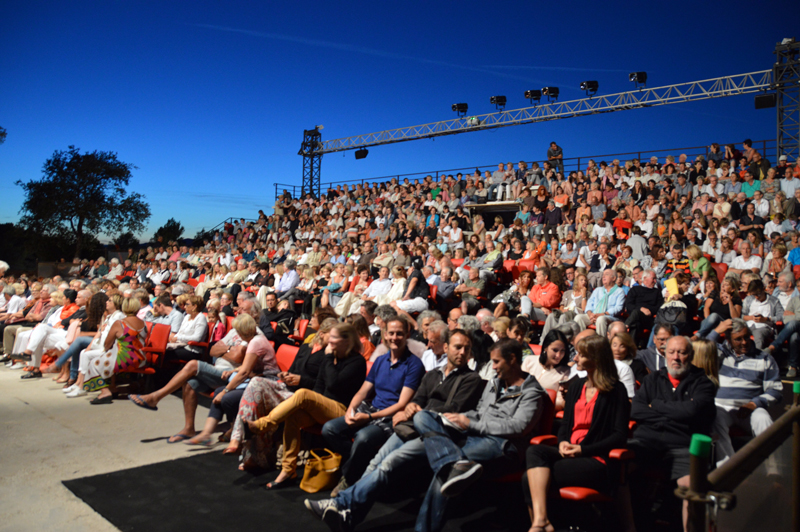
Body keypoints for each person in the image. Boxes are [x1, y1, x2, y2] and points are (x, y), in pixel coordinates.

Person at [304, 329, 485, 532]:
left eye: (466, 349)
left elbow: (454, 409)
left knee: (388, 464)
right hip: (412, 427)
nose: (462, 352)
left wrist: (417, 411)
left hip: (436, 433)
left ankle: (341, 504)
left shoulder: (472, 379)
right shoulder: (433, 374)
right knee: (374, 464)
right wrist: (410, 408)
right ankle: (348, 517)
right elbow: (417, 399)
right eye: (457, 347)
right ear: (446, 348)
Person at [524, 334, 629, 532]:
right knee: (534, 451)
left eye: (581, 355)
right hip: (570, 452)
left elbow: (619, 435)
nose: (575, 359)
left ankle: (542, 523)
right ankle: (541, 521)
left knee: (530, 478)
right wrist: (563, 442)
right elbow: (565, 425)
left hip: (598, 458)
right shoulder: (576, 387)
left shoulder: (616, 391)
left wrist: (582, 449)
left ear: (596, 359)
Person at [245, 322, 367, 488]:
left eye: (334, 338)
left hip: (342, 411)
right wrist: (311, 405)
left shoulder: (356, 361)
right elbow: (319, 385)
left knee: (302, 393)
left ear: (347, 341)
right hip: (323, 408)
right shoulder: (330, 358)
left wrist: (330, 357)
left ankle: (263, 425)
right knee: (293, 416)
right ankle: (288, 471)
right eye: (330, 337)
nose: (329, 341)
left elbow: (333, 384)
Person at [322, 316, 425, 495]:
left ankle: (349, 478)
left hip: (390, 417)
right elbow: (363, 391)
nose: (394, 337)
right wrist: (351, 410)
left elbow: (402, 403)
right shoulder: (380, 361)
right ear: (385, 335)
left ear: (407, 335)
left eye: (399, 334)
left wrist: (369, 417)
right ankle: (358, 465)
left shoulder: (414, 364)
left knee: (363, 438)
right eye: (391, 333)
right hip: (370, 410)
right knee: (329, 429)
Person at [626, 336, 717, 531]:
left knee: (690, 490)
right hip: (647, 443)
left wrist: (657, 405)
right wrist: (676, 416)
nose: (676, 357)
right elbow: (636, 411)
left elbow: (692, 412)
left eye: (682, 353)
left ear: (691, 356)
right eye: (672, 352)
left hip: (683, 447)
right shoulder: (652, 379)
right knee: (616, 472)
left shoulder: (703, 384)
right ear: (664, 354)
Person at [183, 312, 279, 446]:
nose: (237, 335)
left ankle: (235, 430)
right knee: (219, 393)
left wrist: (225, 391)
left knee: (226, 397)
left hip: (267, 383)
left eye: (238, 331)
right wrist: (233, 370)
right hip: (255, 378)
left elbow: (245, 372)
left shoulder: (256, 343)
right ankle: (207, 434)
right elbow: (246, 368)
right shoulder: (254, 340)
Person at [706, 319, 782, 474]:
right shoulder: (719, 353)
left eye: (747, 337)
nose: (744, 342)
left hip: (750, 407)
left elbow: (775, 390)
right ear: (728, 340)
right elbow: (700, 350)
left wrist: (754, 404)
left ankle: (774, 472)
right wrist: (717, 331)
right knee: (713, 417)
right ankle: (729, 470)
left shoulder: (764, 358)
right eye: (738, 339)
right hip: (722, 407)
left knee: (764, 419)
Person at [72, 296, 145, 404]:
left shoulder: (120, 323)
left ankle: (105, 392)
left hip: (125, 358)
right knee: (107, 358)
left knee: (93, 363)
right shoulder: (144, 323)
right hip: (141, 358)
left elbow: (107, 344)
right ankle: (113, 388)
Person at [575, 269, 625, 337]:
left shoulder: (619, 291)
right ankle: (583, 342)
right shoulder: (597, 290)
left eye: (606, 274)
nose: (603, 276)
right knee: (578, 318)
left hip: (610, 317)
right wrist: (591, 315)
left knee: (601, 319)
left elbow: (618, 308)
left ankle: (600, 344)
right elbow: (589, 305)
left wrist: (601, 314)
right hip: (594, 315)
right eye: (603, 275)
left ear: (614, 278)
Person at [623, 270, 663, 348]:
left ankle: (624, 328)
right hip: (636, 319)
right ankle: (632, 349)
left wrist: (648, 310)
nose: (655, 281)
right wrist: (641, 309)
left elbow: (659, 307)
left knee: (636, 312)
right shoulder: (634, 290)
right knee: (635, 324)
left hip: (649, 320)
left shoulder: (657, 292)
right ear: (645, 278)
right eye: (653, 278)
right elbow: (628, 306)